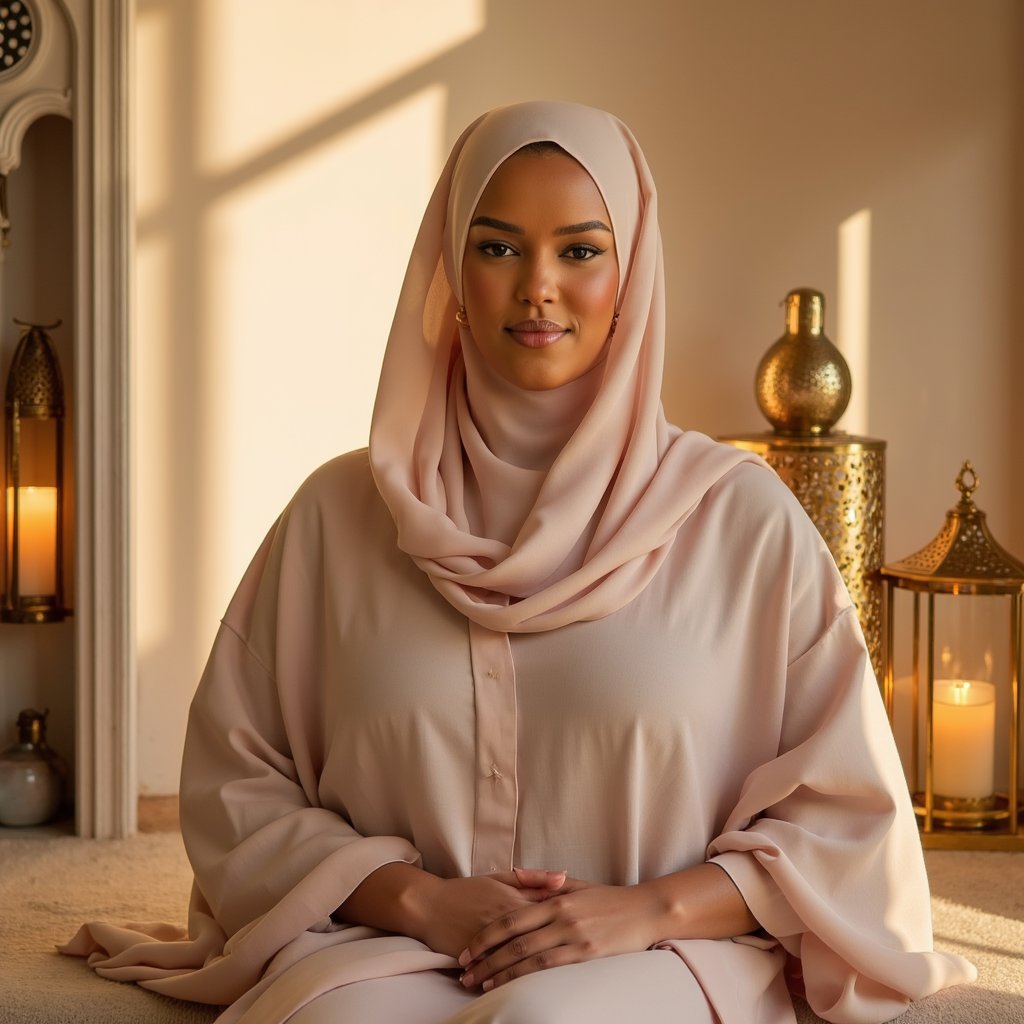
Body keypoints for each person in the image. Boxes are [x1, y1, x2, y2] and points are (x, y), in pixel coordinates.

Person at [62, 100, 975, 1023]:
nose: (538, 285)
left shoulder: (740, 522)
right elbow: (237, 784)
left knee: (540, 1021)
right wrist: (419, 898)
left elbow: (845, 821)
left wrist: (644, 909)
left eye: (580, 251)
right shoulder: (338, 518)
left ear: (631, 277)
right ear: (450, 270)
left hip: (657, 951)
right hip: (386, 947)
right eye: (497, 248)